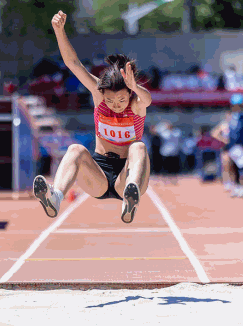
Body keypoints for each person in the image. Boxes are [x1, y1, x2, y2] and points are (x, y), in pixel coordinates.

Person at [33, 11, 152, 224]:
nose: (116, 106)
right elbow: (73, 63)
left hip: (127, 173)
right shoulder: (99, 94)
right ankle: (55, 197)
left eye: (121, 100)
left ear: (129, 94)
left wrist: (136, 87)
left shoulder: (136, 104)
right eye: (111, 100)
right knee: (75, 149)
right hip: (99, 175)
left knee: (139, 147)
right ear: (102, 94)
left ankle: (130, 198)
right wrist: (59, 31)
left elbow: (148, 100)